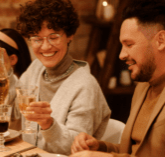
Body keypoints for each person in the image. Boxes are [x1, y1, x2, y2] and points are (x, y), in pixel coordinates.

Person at [14, 0, 111, 155]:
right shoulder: (36, 69)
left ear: (69, 35)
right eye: (37, 39)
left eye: (53, 37)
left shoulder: (85, 85)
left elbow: (76, 149)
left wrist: (48, 124)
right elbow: (12, 109)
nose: (45, 46)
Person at [70, 0, 165, 156]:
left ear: (161, 40)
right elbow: (135, 151)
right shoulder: (143, 87)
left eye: (129, 44)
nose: (121, 55)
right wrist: (99, 148)